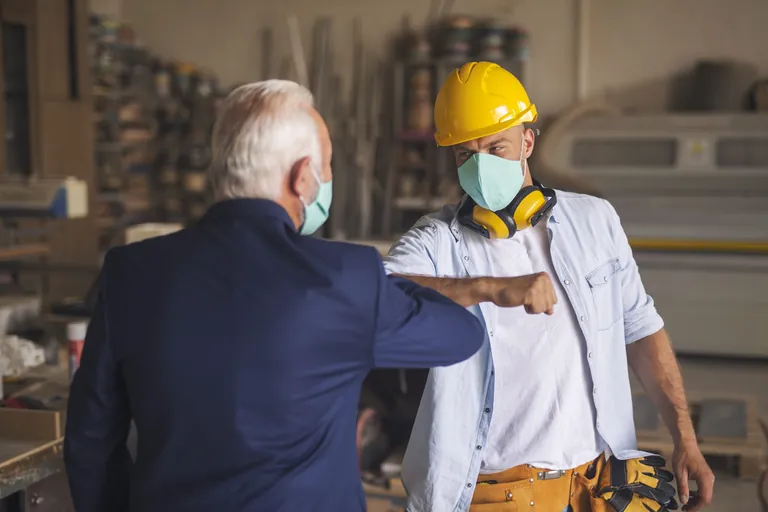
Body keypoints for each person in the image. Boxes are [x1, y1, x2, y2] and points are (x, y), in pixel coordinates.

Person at [63, 80, 554, 512]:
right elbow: (460, 335)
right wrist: (481, 286)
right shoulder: (341, 276)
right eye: (328, 167)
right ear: (303, 178)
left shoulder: (131, 272)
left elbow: (90, 440)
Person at [384, 62, 716, 512]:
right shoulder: (437, 241)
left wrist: (685, 437)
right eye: (465, 155)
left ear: (527, 140)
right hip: (494, 493)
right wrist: (487, 288)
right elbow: (380, 296)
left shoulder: (595, 221)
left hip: (598, 484)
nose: (481, 167)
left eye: (496, 147)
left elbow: (638, 327)